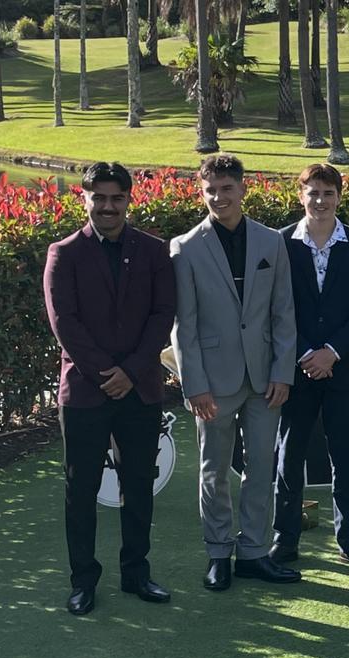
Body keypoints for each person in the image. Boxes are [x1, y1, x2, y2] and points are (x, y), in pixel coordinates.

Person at [44, 162, 176, 615]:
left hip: (140, 391)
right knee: (80, 490)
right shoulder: (63, 253)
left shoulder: (154, 251)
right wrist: (108, 373)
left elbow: (163, 316)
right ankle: (83, 580)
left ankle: (136, 573)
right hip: (84, 391)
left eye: (116, 197)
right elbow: (65, 324)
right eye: (98, 198)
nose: (107, 206)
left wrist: (132, 371)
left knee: (139, 485)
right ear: (85, 199)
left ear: (128, 199)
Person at [170, 154, 300, 591]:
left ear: (244, 189)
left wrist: (283, 372)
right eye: (211, 189)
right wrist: (195, 385)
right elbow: (183, 326)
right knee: (214, 469)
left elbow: (283, 312)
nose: (219, 197)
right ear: (201, 192)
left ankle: (254, 552)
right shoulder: (185, 248)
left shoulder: (271, 242)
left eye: (227, 188)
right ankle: (218, 553)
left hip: (265, 380)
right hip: (212, 383)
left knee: (262, 467)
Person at [271, 164, 349, 573]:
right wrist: (305, 353)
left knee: (346, 460)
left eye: (328, 193)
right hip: (296, 372)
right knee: (288, 457)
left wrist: (332, 352)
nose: (320, 201)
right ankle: (284, 543)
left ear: (340, 196)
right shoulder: (281, 243)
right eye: (312, 192)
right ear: (300, 195)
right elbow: (275, 308)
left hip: (344, 371)